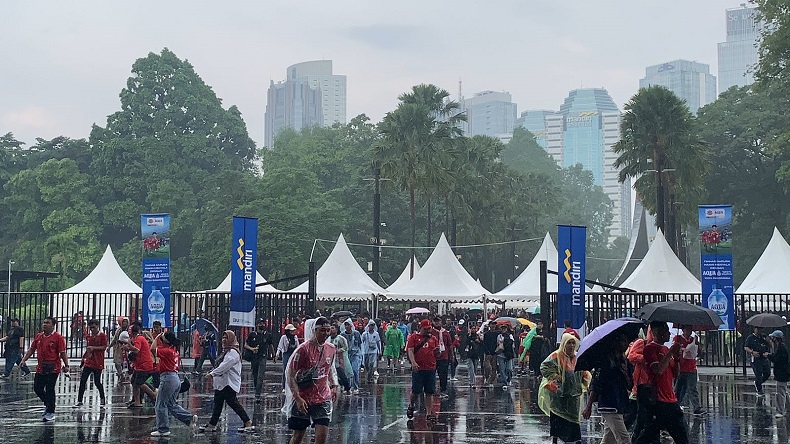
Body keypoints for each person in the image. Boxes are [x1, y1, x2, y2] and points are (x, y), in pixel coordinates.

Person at [284, 317, 337, 444]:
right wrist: (297, 397)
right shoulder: (303, 350)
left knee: (322, 436)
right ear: (314, 330)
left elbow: (328, 368)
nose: (325, 334)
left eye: (327, 330)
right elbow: (290, 374)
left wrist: (334, 385)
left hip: (322, 398)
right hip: (304, 398)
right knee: (298, 436)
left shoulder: (331, 349)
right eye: (322, 330)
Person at [634, 321, 688, 444]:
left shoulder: (665, 349)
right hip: (658, 399)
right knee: (650, 433)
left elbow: (676, 374)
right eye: (666, 331)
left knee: (679, 434)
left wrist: (677, 358)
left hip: (670, 398)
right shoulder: (649, 349)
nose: (669, 334)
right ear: (659, 333)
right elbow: (658, 370)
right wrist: (670, 353)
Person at [538, 333, 590, 444]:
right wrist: (555, 376)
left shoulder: (577, 357)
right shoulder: (556, 356)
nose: (571, 346)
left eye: (573, 343)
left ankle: (575, 440)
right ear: (563, 344)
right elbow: (544, 366)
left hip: (574, 396)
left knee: (573, 421)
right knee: (558, 419)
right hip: (559, 397)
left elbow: (584, 372)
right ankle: (556, 439)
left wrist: (587, 382)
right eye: (569, 343)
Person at [582, 332, 632, 444]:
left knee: (609, 439)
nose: (625, 344)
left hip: (620, 402)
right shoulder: (606, 361)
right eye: (622, 341)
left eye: (626, 341)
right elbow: (596, 383)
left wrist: (625, 374)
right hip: (609, 403)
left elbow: (630, 385)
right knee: (624, 439)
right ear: (615, 343)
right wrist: (588, 406)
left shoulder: (625, 361)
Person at [200, 330, 254, 433]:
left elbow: (224, 366)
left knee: (233, 403)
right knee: (218, 403)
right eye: (223, 338)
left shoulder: (233, 352)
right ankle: (212, 424)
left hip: (228, 383)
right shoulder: (226, 351)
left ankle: (247, 422)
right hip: (222, 383)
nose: (224, 340)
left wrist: (212, 374)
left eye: (226, 338)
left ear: (231, 339)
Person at [20, 317, 69, 422]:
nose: (44, 324)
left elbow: (62, 352)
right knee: (37, 388)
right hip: (41, 367)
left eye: (47, 323)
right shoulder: (39, 336)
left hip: (53, 368)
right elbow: (32, 349)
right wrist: (24, 360)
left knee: (50, 389)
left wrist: (66, 365)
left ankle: (51, 412)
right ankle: (48, 404)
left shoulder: (58, 337)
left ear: (53, 325)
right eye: (44, 322)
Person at [151, 331, 198, 437]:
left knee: (160, 404)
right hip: (175, 378)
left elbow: (152, 349)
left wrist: (157, 337)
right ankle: (188, 418)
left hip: (167, 378)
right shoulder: (173, 350)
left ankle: (163, 429)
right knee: (171, 404)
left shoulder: (166, 351)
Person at [406, 319, 440, 421]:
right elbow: (410, 350)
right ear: (421, 328)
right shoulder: (414, 337)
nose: (428, 331)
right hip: (418, 368)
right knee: (416, 391)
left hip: (430, 368)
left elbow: (437, 353)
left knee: (429, 392)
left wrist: (437, 352)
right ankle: (411, 405)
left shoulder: (433, 339)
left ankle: (429, 413)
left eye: (429, 329)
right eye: (426, 329)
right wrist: (413, 362)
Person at [673, 325, 705, 415]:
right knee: (678, 388)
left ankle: (697, 407)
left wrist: (698, 347)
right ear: (683, 330)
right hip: (681, 367)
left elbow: (699, 353)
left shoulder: (693, 339)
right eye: (686, 329)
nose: (688, 331)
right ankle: (675, 405)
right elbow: (674, 349)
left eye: (690, 330)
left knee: (692, 388)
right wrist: (683, 349)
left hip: (691, 367)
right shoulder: (678, 338)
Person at [74, 319, 108, 408]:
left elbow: (104, 347)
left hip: (98, 362)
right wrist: (84, 358)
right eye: (91, 327)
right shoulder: (89, 336)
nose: (92, 329)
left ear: (97, 326)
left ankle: (102, 398)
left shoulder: (102, 336)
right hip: (89, 362)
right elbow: (88, 349)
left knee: (97, 382)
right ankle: (79, 400)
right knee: (83, 381)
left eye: (94, 327)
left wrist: (94, 348)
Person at [125, 323, 157, 408]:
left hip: (144, 365)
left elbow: (136, 350)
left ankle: (153, 394)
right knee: (134, 382)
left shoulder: (139, 338)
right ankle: (137, 401)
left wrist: (129, 345)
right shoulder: (137, 338)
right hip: (139, 365)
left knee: (139, 383)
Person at [244, 319, 273, 400]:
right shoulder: (252, 334)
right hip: (254, 358)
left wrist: (274, 355)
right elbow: (245, 345)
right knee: (255, 376)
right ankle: (257, 389)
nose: (262, 325)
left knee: (260, 376)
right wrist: (252, 349)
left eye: (263, 323)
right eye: (260, 323)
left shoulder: (267, 335)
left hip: (263, 357)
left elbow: (270, 345)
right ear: (256, 325)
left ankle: (257, 394)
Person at [744, 325, 772, 396]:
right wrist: (752, 352)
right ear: (754, 329)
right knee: (758, 374)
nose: (759, 330)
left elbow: (769, 345)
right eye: (758, 329)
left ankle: (758, 382)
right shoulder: (750, 338)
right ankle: (759, 389)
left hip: (764, 358)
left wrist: (769, 341)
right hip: (756, 359)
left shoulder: (763, 337)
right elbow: (746, 347)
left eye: (760, 329)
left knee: (767, 373)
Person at [769, 330, 790, 418]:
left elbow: (777, 359)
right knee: (783, 390)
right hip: (783, 373)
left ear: (776, 338)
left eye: (773, 337)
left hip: (782, 373)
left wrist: (769, 356)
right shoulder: (781, 347)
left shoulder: (781, 348)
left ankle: (780, 411)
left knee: (780, 392)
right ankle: (787, 407)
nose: (771, 339)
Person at [432, 317, 453, 397]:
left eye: (438, 321)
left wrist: (452, 356)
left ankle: (443, 390)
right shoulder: (431, 332)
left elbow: (449, 344)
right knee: (432, 374)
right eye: (435, 321)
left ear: (441, 322)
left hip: (444, 356)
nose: (437, 323)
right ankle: (431, 390)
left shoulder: (445, 333)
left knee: (443, 375)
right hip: (433, 357)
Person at [329, 323, 352, 395]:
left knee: (341, 374)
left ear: (336, 329)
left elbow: (345, 347)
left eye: (333, 328)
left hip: (338, 360)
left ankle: (347, 388)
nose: (331, 330)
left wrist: (339, 350)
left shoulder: (340, 338)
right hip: (329, 360)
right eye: (330, 328)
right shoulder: (328, 338)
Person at [277, 324, 301, 391]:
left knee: (293, 369)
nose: (293, 332)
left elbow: (298, 347)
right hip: (286, 354)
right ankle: (284, 386)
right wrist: (277, 354)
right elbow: (280, 346)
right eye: (291, 331)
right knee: (285, 370)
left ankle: (293, 385)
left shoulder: (295, 337)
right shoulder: (284, 337)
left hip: (293, 354)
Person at [341, 319, 362, 393]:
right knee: (347, 371)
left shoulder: (356, 333)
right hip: (346, 355)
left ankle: (356, 387)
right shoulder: (342, 335)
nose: (347, 326)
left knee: (355, 370)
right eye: (345, 325)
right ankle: (347, 386)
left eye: (348, 325)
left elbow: (359, 343)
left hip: (355, 354)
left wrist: (359, 353)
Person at [496, 323, 516, 390]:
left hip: (509, 355)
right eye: (502, 328)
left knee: (509, 369)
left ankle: (508, 379)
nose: (503, 330)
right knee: (502, 369)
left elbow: (512, 343)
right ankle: (504, 383)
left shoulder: (510, 336)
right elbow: (498, 343)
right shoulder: (499, 336)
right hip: (501, 354)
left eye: (505, 328)